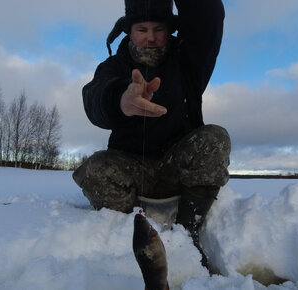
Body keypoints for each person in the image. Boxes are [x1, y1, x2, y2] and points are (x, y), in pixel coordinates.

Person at [73, 0, 229, 267]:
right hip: (133, 174)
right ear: (129, 32)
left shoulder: (189, 60)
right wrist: (121, 99)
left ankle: (187, 232)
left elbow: (208, 18)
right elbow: (93, 98)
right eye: (142, 29)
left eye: (159, 29)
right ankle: (127, 237)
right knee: (94, 169)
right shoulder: (112, 66)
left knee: (213, 139)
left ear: (169, 31)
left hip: (178, 172)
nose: (152, 38)